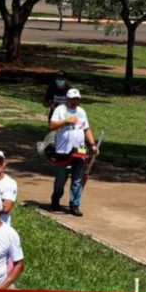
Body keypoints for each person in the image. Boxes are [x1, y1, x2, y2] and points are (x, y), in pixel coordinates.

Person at [49, 88, 99, 216]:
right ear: (67, 99)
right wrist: (66, 121)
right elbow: (51, 126)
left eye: (77, 99)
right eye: (72, 99)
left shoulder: (81, 112)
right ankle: (56, 198)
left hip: (79, 151)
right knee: (61, 179)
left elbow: (87, 129)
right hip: (63, 151)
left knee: (77, 179)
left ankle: (74, 204)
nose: (75, 102)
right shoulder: (60, 110)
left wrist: (92, 144)